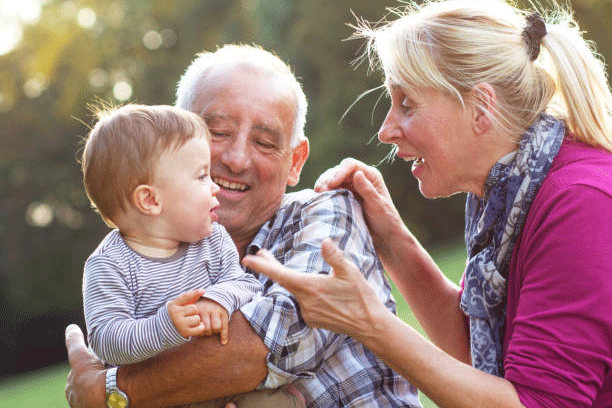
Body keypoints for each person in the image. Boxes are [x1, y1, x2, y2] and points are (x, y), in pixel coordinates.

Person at [243, 1, 612, 407]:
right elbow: (481, 354)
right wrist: (393, 243)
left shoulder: (583, 205)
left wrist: (369, 323)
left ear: (480, 109)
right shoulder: (510, 192)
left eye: (407, 105)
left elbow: (537, 403)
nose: (385, 130)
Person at [65, 44, 421, 408]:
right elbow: (117, 339)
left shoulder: (327, 212)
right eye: (216, 133)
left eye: (265, 143)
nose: (236, 160)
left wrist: (108, 390)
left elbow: (260, 347)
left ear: (296, 161)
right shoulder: (129, 260)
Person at [79, 104, 306, 408]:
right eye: (201, 177)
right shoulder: (109, 265)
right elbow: (106, 340)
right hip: (163, 395)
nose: (215, 188)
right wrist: (164, 327)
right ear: (150, 199)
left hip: (229, 382)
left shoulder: (212, 238)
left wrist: (218, 299)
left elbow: (247, 285)